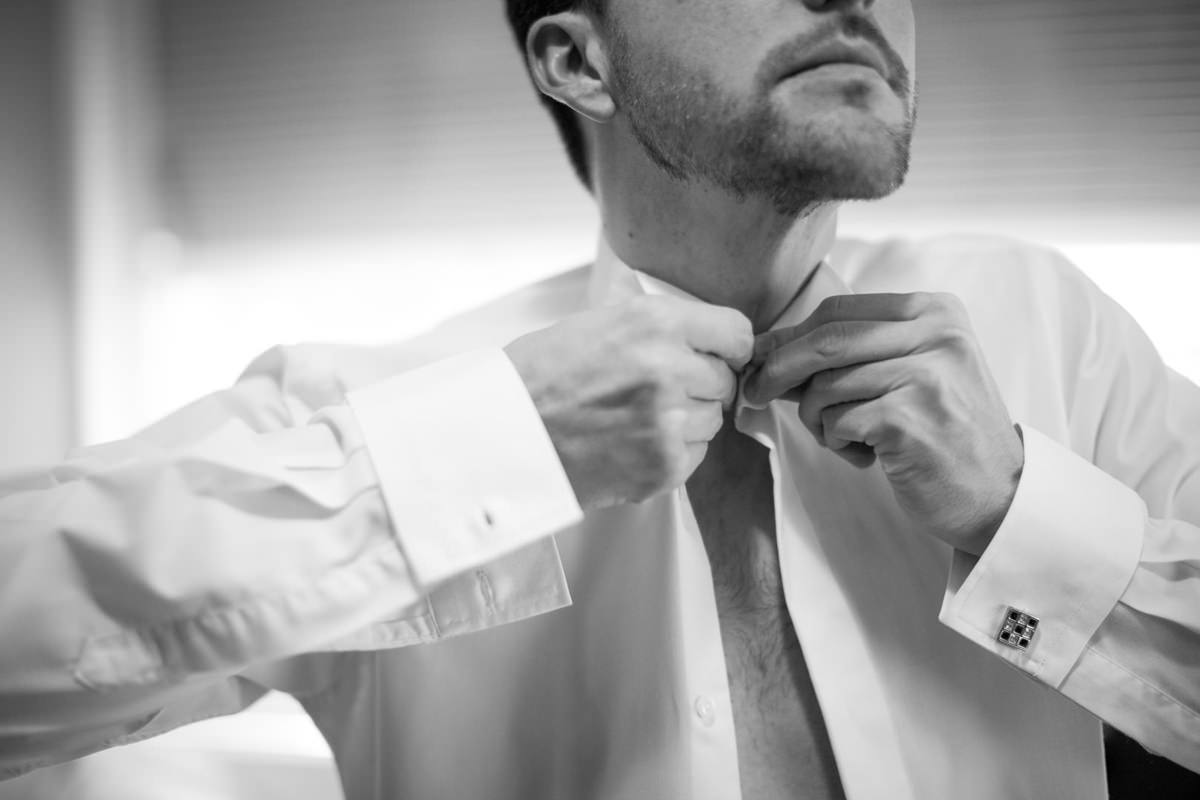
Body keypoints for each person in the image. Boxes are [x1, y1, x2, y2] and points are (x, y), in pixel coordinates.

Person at [2, 0, 1198, 797]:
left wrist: (1020, 516)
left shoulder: (1045, 329)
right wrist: (481, 457)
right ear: (579, 57)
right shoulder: (396, 407)